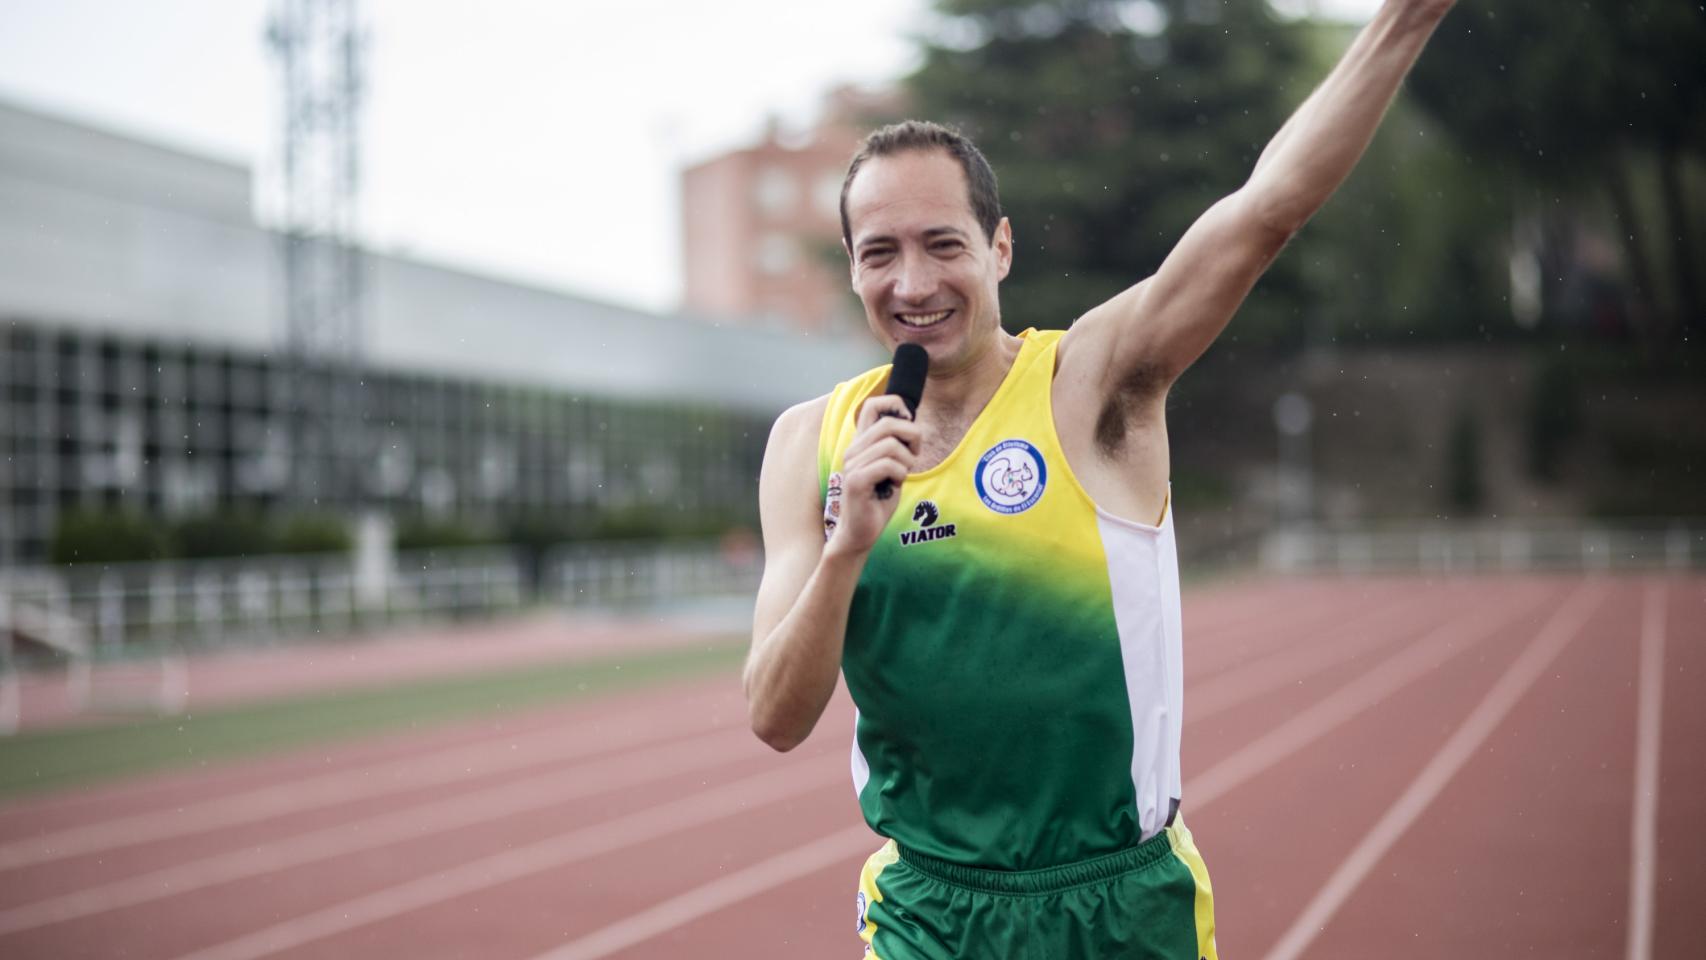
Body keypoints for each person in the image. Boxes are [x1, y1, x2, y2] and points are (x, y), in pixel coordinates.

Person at [743, 1, 1458, 956]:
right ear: (852, 269)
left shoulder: (1091, 381)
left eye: (942, 244)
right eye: (881, 253)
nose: (912, 284)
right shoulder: (810, 445)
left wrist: (1401, 25)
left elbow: (1264, 211)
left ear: (999, 247)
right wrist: (845, 553)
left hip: (1115, 904)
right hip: (929, 913)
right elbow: (776, 717)